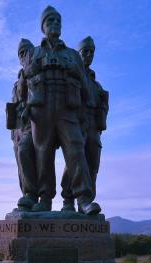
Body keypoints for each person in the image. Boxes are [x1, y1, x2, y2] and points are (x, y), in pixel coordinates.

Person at [24, 6, 100, 215]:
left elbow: (86, 87)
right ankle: (44, 199)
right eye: (50, 21)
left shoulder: (73, 55)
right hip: (42, 108)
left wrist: (73, 68)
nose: (55, 24)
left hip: (68, 108)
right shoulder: (34, 52)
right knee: (43, 153)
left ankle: (83, 199)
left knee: (76, 148)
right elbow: (26, 81)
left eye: (58, 21)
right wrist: (41, 64)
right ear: (43, 27)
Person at [61, 36, 108, 212]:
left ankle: (87, 202)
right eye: (85, 51)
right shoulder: (71, 75)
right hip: (76, 121)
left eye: (91, 52)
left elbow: (101, 103)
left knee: (92, 164)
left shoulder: (96, 83)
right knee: (74, 160)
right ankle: (68, 200)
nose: (88, 55)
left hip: (93, 125)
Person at [7, 38, 39, 210]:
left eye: (26, 51)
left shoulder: (35, 73)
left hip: (34, 122)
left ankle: (31, 194)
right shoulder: (19, 78)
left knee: (25, 151)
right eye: (21, 53)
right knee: (21, 162)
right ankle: (27, 197)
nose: (24, 55)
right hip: (18, 128)